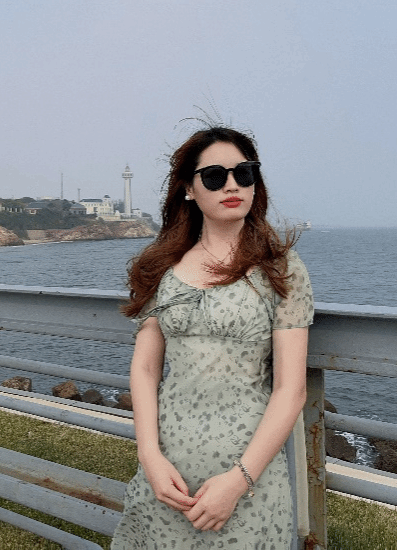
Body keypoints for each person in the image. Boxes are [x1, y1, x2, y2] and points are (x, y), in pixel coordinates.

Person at [111, 126, 313, 549]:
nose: (232, 186)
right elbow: (145, 369)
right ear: (189, 188)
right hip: (167, 471)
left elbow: (291, 390)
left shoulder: (280, 268)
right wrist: (149, 456)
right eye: (215, 177)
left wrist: (238, 481)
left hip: (247, 479)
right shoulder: (162, 267)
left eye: (244, 173)